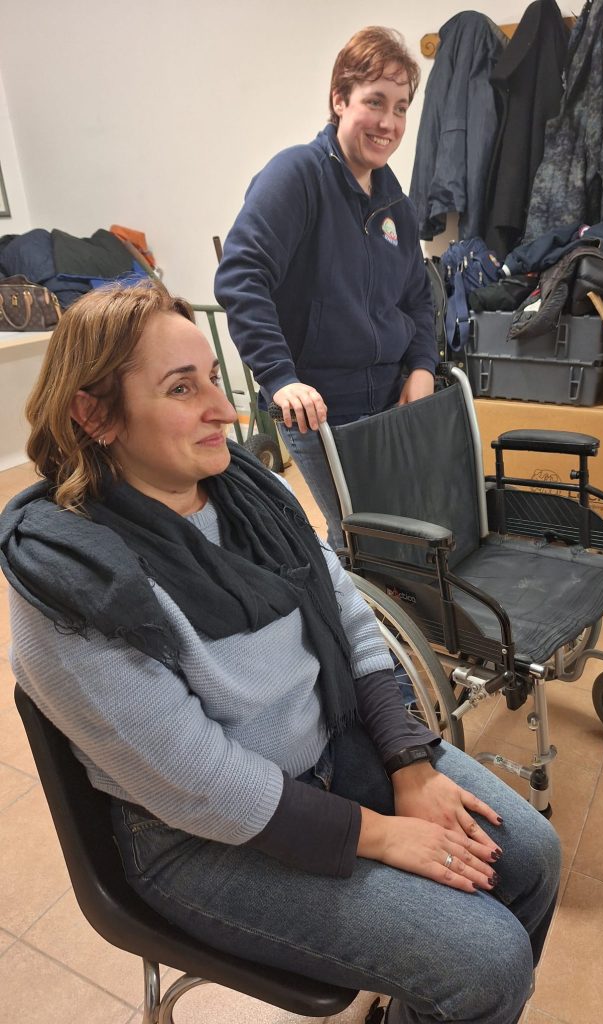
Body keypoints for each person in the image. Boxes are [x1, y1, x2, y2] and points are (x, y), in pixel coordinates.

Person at [0, 283, 560, 1024]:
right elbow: (203, 783)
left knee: (534, 859)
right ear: (94, 414)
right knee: (487, 961)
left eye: (213, 377)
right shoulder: (72, 581)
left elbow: (351, 619)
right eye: (181, 388)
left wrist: (409, 762)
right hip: (202, 837)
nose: (226, 411)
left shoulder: (246, 491)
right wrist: (380, 835)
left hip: (332, 749)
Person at [214, 27, 437, 552]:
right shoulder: (296, 175)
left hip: (389, 400)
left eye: (401, 108)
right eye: (374, 102)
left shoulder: (396, 204)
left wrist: (423, 366)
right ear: (340, 99)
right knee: (360, 538)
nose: (388, 123)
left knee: (401, 527)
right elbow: (241, 275)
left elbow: (417, 299)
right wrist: (279, 377)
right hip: (319, 408)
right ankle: (346, 604)